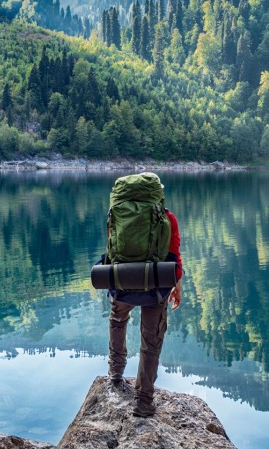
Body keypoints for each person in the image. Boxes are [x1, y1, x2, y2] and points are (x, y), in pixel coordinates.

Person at [107, 175, 183, 418]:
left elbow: (111, 248)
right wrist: (177, 285)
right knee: (151, 340)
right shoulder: (167, 218)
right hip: (154, 286)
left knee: (118, 319)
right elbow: (174, 255)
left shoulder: (117, 215)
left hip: (122, 282)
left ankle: (116, 373)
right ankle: (143, 400)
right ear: (156, 195)